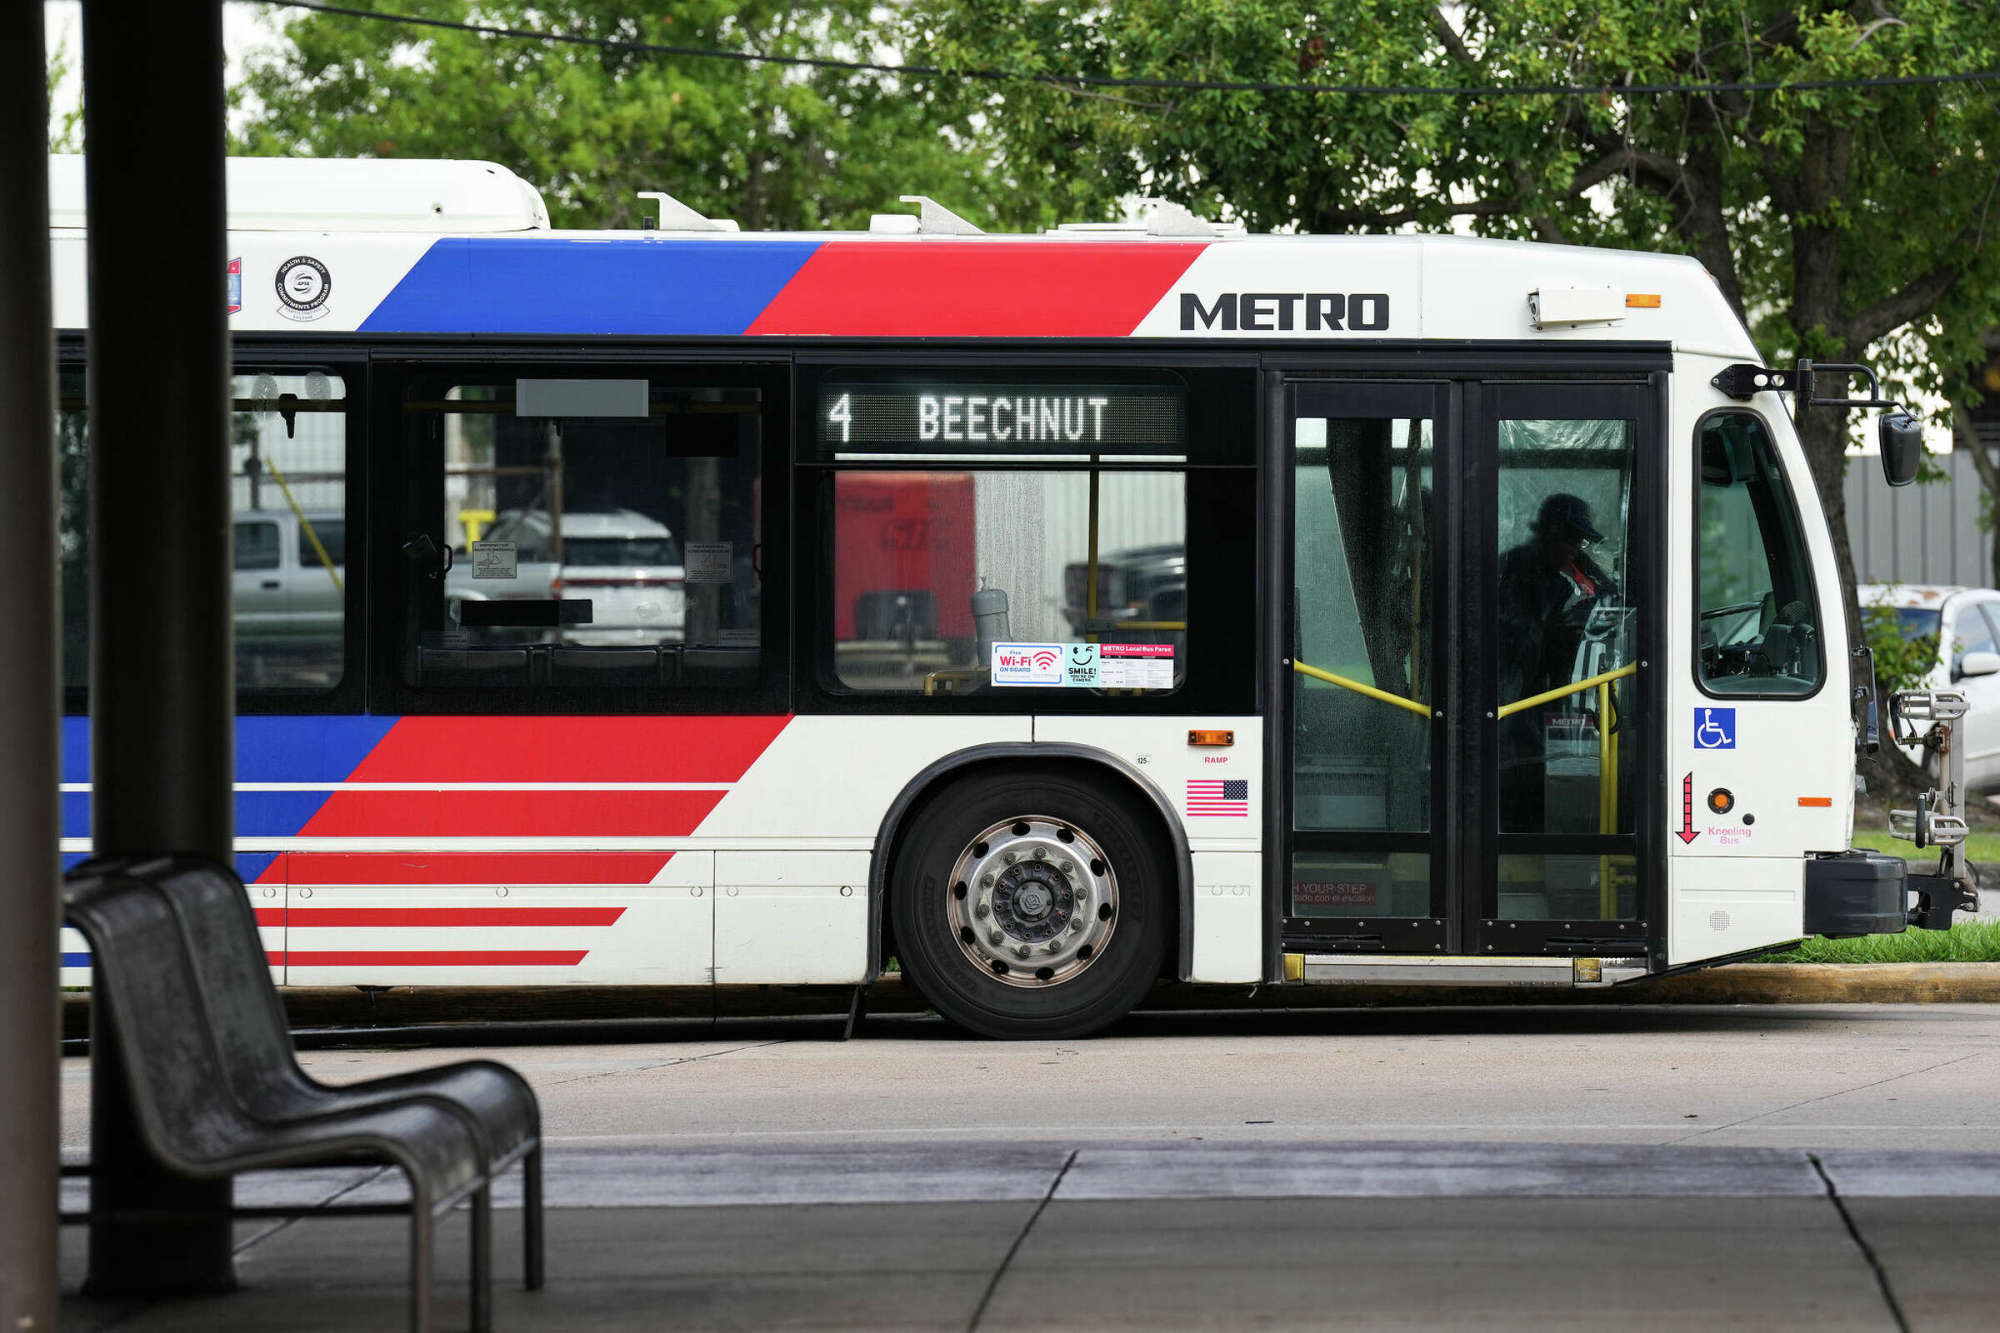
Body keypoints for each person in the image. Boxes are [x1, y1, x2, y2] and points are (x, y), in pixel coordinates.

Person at [1495, 492, 1619, 831]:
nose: (1576, 548)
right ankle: (1526, 836)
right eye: (1571, 539)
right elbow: (1513, 639)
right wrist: (1558, 628)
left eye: (1579, 541)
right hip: (1523, 695)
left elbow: (1610, 595)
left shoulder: (1572, 568)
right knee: (1527, 772)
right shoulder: (1518, 569)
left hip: (1564, 687)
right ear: (1549, 532)